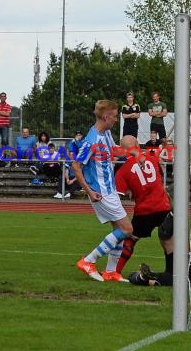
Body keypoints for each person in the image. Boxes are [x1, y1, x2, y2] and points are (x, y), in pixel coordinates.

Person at [71, 100, 133, 282]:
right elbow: (76, 167)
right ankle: (88, 261)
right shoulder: (91, 140)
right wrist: (89, 192)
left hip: (110, 189)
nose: (115, 120)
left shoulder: (106, 133)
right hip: (101, 192)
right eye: (114, 116)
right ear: (106, 117)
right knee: (128, 229)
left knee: (118, 230)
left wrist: (135, 151)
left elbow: (114, 151)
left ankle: (111, 272)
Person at [106, 135, 173, 282]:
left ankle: (115, 272)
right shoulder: (153, 158)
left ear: (122, 150)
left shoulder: (122, 171)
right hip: (163, 206)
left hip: (144, 210)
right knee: (169, 239)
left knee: (130, 239)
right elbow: (156, 179)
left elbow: (118, 195)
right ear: (137, 144)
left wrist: (132, 189)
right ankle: (173, 271)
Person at [0, 92, 12, 163]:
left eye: (4, 96)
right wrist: (3, 112)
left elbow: (7, 114)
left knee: (4, 141)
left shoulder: (9, 106)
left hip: (5, 125)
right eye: (2, 96)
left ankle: (2, 155)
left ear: (6, 97)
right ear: (0, 97)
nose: (3, 97)